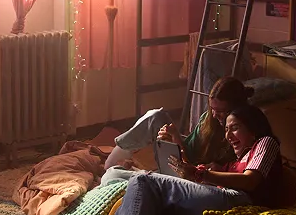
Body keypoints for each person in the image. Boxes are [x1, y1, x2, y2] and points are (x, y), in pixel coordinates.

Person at [72, 104, 291, 215]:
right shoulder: (234, 162)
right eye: (226, 130)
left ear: (253, 128)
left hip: (240, 202)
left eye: (234, 128)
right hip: (223, 199)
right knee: (142, 188)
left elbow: (250, 181)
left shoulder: (265, 143)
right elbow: (198, 178)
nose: (228, 136)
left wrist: (201, 174)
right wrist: (184, 158)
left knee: (144, 180)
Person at [101, 76, 254, 186]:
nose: (214, 115)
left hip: (192, 178)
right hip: (184, 165)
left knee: (114, 175)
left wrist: (209, 171)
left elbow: (194, 169)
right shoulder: (208, 120)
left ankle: (126, 173)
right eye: (212, 109)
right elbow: (187, 153)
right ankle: (111, 161)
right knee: (155, 116)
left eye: (221, 111)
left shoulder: (242, 135)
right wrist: (173, 138)